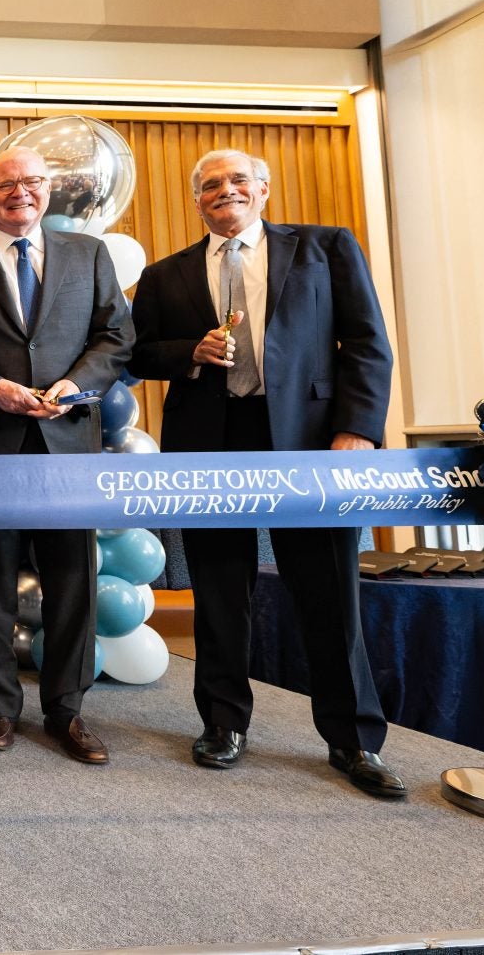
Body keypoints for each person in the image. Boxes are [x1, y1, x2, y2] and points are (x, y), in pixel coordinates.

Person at [128, 148, 406, 799]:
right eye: (210, 186)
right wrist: (187, 352)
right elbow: (138, 354)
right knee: (220, 594)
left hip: (310, 445)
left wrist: (357, 430)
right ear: (198, 201)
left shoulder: (326, 248)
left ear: (264, 189)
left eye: (237, 180)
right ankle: (223, 723)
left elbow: (367, 341)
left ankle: (354, 738)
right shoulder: (166, 275)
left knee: (330, 595)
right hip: (208, 444)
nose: (225, 191)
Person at [0, 147, 132, 765]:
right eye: (6, 185)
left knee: (75, 577)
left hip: (69, 441)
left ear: (48, 191)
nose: (20, 193)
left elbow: (116, 336)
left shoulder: (89, 254)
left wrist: (74, 384)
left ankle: (67, 710)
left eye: (32, 183)